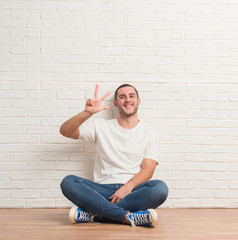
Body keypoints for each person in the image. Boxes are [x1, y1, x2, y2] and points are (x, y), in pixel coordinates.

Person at [59, 84, 168, 227]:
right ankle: (127, 217)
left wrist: (127, 187)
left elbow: (148, 170)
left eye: (131, 96)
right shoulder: (100, 126)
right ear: (116, 103)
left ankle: (96, 215)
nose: (127, 100)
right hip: (101, 191)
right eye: (122, 97)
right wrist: (87, 113)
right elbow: (65, 131)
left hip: (133, 191)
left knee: (160, 188)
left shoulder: (150, 133)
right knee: (68, 182)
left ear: (138, 101)